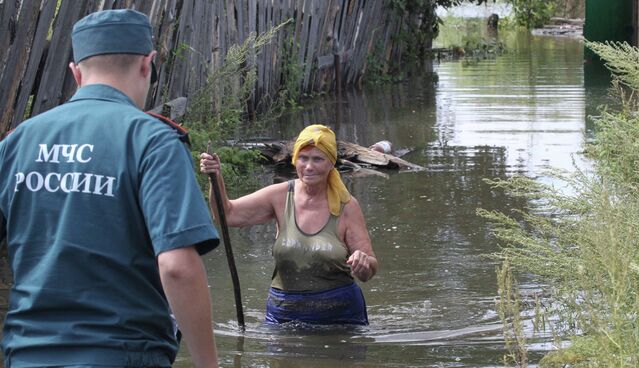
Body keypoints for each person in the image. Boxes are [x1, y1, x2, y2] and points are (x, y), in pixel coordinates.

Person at [0, 9, 220, 367]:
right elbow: (178, 267)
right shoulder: (153, 141)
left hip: (27, 355)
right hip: (122, 354)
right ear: (148, 64)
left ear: (75, 72)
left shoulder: (18, 142)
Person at [200, 124, 378, 325]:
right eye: (303, 158)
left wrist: (363, 264)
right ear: (294, 161)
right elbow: (228, 215)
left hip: (340, 315)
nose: (309, 166)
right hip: (283, 314)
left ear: (331, 163)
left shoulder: (347, 206)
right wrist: (216, 177)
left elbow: (370, 268)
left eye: (317, 159)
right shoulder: (279, 196)